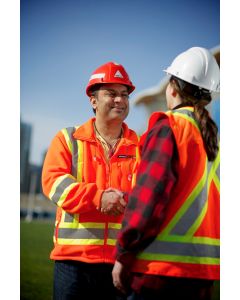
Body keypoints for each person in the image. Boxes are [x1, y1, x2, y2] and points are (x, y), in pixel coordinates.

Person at [112, 47, 220, 300]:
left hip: (158, 276)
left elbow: (149, 199)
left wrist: (124, 253)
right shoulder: (214, 141)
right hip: (203, 276)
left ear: (172, 88)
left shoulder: (168, 128)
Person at [42, 61, 139, 300]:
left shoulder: (141, 145)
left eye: (124, 95)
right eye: (111, 94)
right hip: (73, 263)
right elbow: (53, 183)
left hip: (121, 263)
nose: (120, 100)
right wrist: (99, 197)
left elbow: (145, 196)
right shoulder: (68, 139)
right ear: (93, 100)